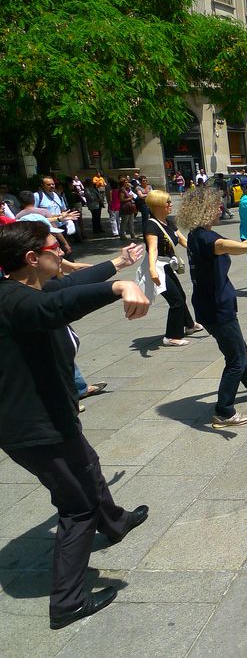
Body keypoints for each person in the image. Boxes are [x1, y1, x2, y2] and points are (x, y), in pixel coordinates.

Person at [0, 219, 151, 629]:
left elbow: (65, 289)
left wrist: (116, 266)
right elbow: (53, 307)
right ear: (33, 258)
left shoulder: (26, 287)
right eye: (55, 247)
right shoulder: (16, 302)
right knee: (77, 506)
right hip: (36, 428)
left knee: (87, 463)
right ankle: (67, 602)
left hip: (50, 417)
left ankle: (116, 522)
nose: (63, 251)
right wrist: (119, 287)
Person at [177, 188, 247, 428]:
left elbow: (230, 246)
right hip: (217, 308)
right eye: (216, 206)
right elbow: (228, 245)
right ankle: (223, 412)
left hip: (210, 305)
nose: (221, 209)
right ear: (204, 210)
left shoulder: (199, 234)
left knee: (238, 348)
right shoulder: (207, 238)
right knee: (235, 357)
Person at [143, 190, 201, 346]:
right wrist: (152, 270)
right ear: (157, 206)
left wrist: (197, 250)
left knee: (180, 295)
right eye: (167, 202)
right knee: (175, 300)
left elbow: (181, 238)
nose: (170, 204)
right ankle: (171, 336)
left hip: (167, 266)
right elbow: (153, 249)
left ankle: (189, 325)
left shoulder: (168, 221)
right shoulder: (151, 225)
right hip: (157, 267)